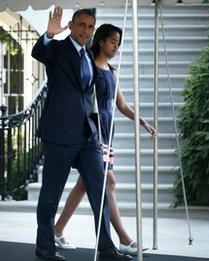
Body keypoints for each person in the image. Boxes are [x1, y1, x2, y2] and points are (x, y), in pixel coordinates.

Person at [31, 7, 131, 261]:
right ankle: (44, 247)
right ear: (72, 25)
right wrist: (49, 35)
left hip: (88, 134)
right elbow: (39, 52)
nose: (86, 30)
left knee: (100, 191)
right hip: (60, 133)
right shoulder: (58, 50)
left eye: (90, 26)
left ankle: (106, 247)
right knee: (51, 194)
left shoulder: (89, 55)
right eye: (82, 25)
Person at [53, 23, 156, 255]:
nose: (116, 47)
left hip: (108, 132)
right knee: (107, 182)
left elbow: (121, 105)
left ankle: (57, 228)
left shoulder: (113, 71)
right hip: (92, 130)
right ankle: (124, 238)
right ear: (101, 41)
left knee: (85, 185)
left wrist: (143, 122)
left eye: (118, 44)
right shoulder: (87, 65)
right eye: (113, 42)